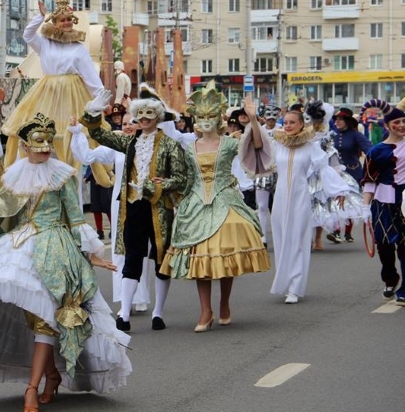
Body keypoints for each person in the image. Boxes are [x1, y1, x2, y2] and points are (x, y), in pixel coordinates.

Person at [0, 113, 131, 412]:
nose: (46, 146)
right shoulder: (13, 176)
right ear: (24, 146)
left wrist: (91, 253)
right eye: (39, 141)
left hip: (55, 248)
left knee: (47, 319)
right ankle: (50, 374)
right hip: (17, 248)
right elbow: (2, 217)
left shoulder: (62, 176)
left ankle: (32, 388)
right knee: (30, 314)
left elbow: (75, 218)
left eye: (49, 140)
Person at [160, 86, 270, 331]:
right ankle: (205, 311)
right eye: (201, 117)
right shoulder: (188, 148)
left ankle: (224, 304)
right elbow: (184, 177)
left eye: (210, 116)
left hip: (225, 199)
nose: (206, 121)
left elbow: (258, 144)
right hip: (196, 204)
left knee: (225, 254)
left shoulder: (230, 143)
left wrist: (252, 117)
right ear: (196, 121)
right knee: (201, 259)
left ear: (219, 118)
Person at [81, 85, 188, 331]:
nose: (144, 120)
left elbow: (181, 178)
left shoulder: (170, 145)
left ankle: (158, 313)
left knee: (161, 259)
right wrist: (93, 112)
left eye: (149, 115)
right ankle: (125, 314)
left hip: (159, 208)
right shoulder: (129, 142)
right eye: (140, 115)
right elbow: (98, 134)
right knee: (132, 257)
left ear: (157, 118)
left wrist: (158, 185)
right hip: (133, 208)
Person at [0, 0, 109, 191]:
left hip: (72, 94)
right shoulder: (44, 43)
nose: (67, 23)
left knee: (71, 136)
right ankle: (42, 182)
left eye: (69, 19)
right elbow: (27, 36)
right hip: (47, 93)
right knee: (42, 134)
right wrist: (39, 17)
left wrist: (101, 99)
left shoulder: (79, 48)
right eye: (62, 20)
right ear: (55, 23)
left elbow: (90, 76)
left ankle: (69, 184)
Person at [244, 102, 350, 304]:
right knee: (283, 241)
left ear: (302, 124)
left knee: (299, 242)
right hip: (281, 199)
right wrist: (252, 118)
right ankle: (284, 282)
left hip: (301, 199)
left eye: (293, 122)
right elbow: (257, 144)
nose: (288, 125)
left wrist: (340, 189)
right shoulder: (278, 143)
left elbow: (323, 170)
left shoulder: (311, 147)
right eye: (286, 122)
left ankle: (295, 287)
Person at [69, 113, 152, 313]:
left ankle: (140, 296)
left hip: (144, 202)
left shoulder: (150, 144)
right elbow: (87, 156)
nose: (128, 126)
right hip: (121, 203)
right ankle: (125, 298)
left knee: (142, 249)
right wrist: (77, 133)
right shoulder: (117, 145)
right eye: (124, 123)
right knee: (120, 248)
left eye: (132, 122)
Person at [361, 98, 405, 305]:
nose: (402, 126)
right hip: (383, 201)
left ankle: (404, 289)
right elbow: (369, 181)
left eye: (404, 122)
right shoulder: (376, 151)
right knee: (385, 246)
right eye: (397, 122)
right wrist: (364, 206)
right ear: (387, 126)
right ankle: (390, 277)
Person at [330, 107, 372, 242]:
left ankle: (348, 232)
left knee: (350, 202)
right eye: (336, 119)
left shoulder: (356, 135)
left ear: (347, 121)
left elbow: (369, 149)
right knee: (335, 201)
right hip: (335, 173)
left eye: (340, 119)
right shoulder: (332, 135)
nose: (337, 122)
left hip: (352, 172)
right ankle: (336, 231)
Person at [254, 104, 281, 246]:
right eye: (268, 117)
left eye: (273, 117)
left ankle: (279, 234)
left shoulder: (283, 131)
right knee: (262, 206)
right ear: (263, 117)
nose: (271, 120)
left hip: (279, 172)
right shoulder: (258, 131)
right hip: (263, 172)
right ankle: (262, 236)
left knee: (278, 206)